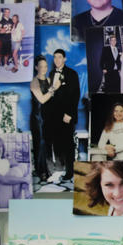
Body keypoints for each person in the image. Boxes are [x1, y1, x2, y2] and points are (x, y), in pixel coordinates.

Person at [46, 49, 79, 180]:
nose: (57, 60)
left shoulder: (72, 73)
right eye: (55, 57)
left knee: (68, 144)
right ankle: (60, 169)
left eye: (59, 57)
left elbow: (75, 95)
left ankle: (70, 171)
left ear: (64, 59)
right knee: (58, 143)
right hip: (55, 115)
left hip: (67, 115)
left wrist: (69, 114)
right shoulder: (52, 73)